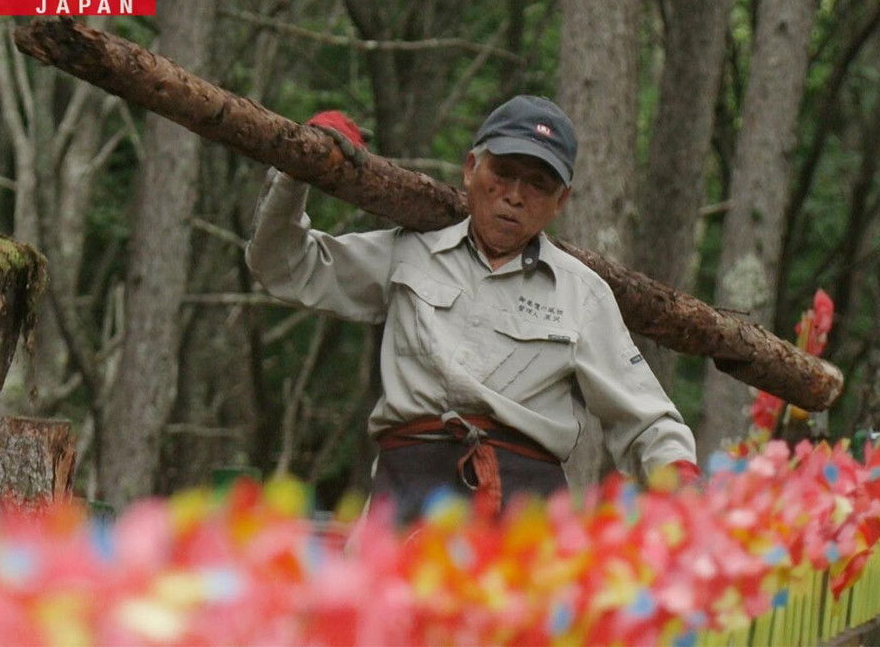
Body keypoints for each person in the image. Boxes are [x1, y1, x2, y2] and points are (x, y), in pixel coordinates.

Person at [246, 95, 698, 523]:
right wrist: (297, 169)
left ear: (561, 202)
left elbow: (647, 421)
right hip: (406, 496)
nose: (515, 196)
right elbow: (284, 267)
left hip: (525, 518)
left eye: (538, 184)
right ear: (470, 169)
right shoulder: (408, 253)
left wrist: (683, 496)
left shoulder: (582, 294)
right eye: (502, 173)